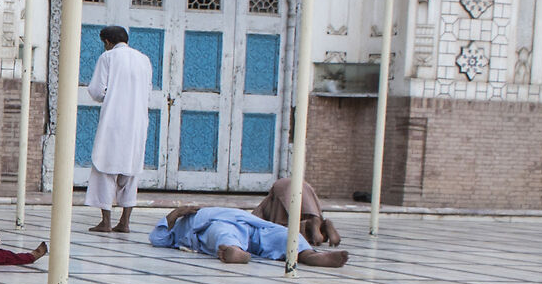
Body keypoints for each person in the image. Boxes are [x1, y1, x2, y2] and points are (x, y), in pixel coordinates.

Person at [84, 25, 152, 233]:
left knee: (105, 168)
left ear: (107, 42)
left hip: (114, 121)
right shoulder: (144, 60)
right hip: (137, 122)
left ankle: (105, 221)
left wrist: (110, 97)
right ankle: (125, 222)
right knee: (130, 171)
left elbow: (96, 90)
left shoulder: (108, 58)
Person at [149, 202, 349, 267]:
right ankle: (234, 252)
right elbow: (157, 238)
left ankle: (311, 256)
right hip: (212, 225)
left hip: (248, 223)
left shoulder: (205, 211)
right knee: (223, 235)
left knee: (282, 234)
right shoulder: (177, 229)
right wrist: (175, 214)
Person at [253, 176, 341, 247]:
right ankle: (323, 224)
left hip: (282, 188)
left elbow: (255, 218)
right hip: (304, 186)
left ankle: (305, 226)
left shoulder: (269, 199)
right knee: (307, 212)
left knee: (283, 226)